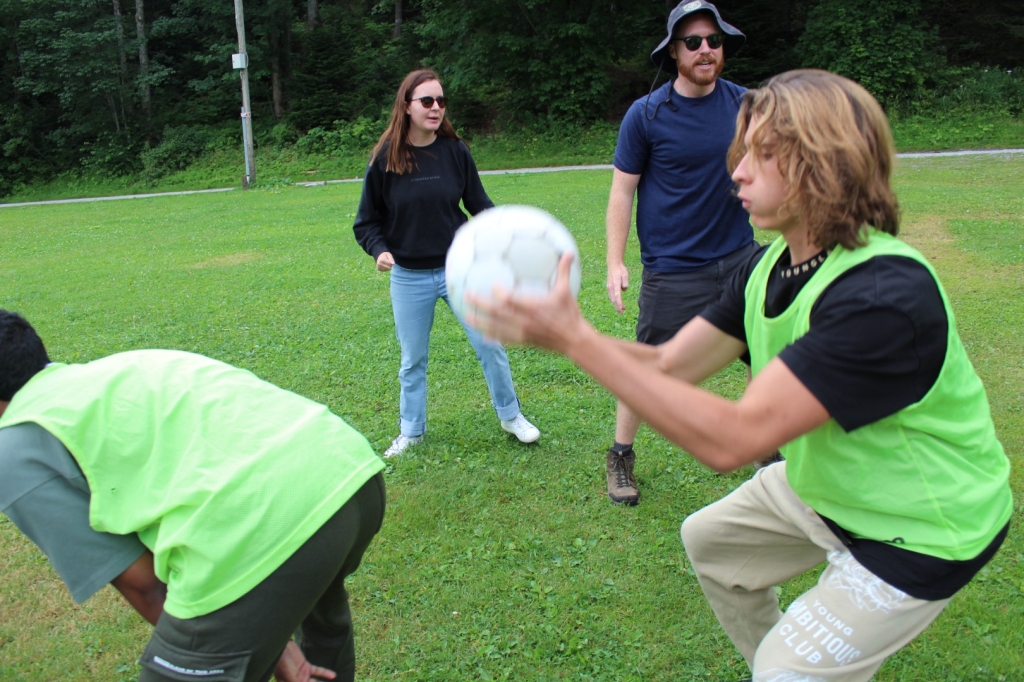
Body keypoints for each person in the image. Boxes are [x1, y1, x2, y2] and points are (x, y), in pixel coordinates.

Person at [470, 70, 1012, 680]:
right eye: (742, 152)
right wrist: (576, 336)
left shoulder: (881, 294)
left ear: (822, 163)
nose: (738, 172)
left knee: (785, 669)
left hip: (922, 527)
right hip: (834, 492)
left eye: (762, 154)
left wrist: (577, 342)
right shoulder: (767, 267)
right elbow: (669, 364)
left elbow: (733, 440)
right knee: (714, 543)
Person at [0, 309, 387, 682]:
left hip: (266, 522)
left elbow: (145, 585)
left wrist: (223, 645)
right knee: (319, 622)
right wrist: (268, 637)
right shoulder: (120, 366)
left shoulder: (13, 447)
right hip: (347, 472)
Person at [604, 0, 758, 505]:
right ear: (674, 52)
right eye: (693, 42)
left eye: (714, 41)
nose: (705, 49)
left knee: (765, 351)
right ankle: (620, 455)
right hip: (673, 270)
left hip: (740, 258)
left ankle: (768, 452)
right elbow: (622, 191)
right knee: (648, 367)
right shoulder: (647, 114)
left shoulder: (746, 105)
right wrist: (615, 261)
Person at [353, 68, 539, 458]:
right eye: (427, 101)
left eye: (441, 100)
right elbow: (366, 221)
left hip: (460, 270)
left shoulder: (455, 151)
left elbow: (479, 204)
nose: (436, 107)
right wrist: (379, 250)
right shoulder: (385, 158)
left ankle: (511, 416)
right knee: (413, 360)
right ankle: (411, 432)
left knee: (490, 345)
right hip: (409, 276)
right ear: (407, 106)